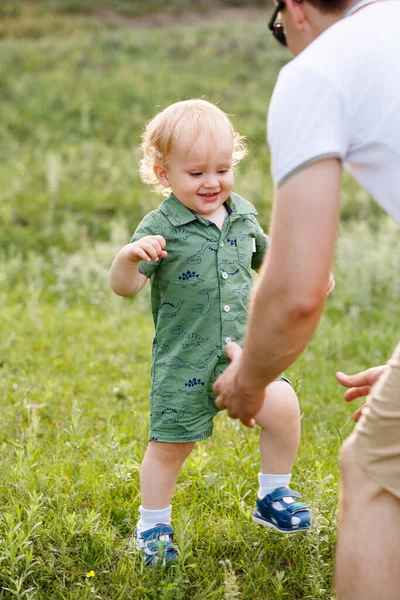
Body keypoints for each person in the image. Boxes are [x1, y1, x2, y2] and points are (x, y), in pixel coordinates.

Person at [213, 0, 400, 598]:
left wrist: (248, 384)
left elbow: (297, 290)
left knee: (372, 475)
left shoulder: (317, 70)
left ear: (294, 9)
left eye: (277, 31)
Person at [109, 99, 334, 566]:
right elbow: (125, 289)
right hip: (185, 359)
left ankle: (273, 494)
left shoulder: (243, 217)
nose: (212, 182)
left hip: (246, 354)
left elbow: (272, 264)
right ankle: (153, 525)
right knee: (170, 445)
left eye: (222, 168)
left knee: (284, 406)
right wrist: (129, 257)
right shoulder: (160, 227)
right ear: (164, 173)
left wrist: (308, 274)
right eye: (196, 173)